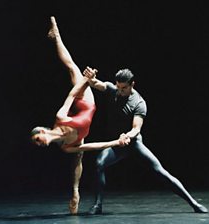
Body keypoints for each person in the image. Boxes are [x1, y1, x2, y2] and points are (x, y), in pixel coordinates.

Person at [31, 16, 129, 215]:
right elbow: (91, 146)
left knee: (71, 67)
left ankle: (56, 36)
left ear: (42, 130)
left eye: (37, 139)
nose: (38, 143)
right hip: (80, 130)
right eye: (36, 143)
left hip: (85, 101)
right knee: (78, 157)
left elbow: (72, 94)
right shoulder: (66, 148)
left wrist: (86, 80)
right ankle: (75, 193)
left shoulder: (61, 117)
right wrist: (115, 143)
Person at [83, 68, 209, 214]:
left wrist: (127, 136)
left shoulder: (139, 103)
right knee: (99, 163)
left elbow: (136, 128)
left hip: (134, 144)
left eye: (124, 88)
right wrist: (91, 78)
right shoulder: (114, 90)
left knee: (161, 172)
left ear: (132, 85)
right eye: (118, 87)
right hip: (118, 144)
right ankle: (98, 205)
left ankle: (193, 204)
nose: (120, 90)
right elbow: (96, 84)